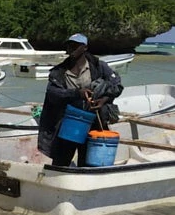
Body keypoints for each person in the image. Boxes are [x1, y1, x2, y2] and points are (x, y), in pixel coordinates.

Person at [37, 33, 123, 166]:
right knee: (60, 162)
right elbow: (53, 94)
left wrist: (104, 100)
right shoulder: (58, 72)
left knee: (87, 162)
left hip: (93, 121)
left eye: (75, 46)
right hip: (68, 123)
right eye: (69, 45)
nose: (71, 49)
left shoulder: (99, 67)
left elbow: (117, 86)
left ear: (84, 48)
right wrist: (77, 93)